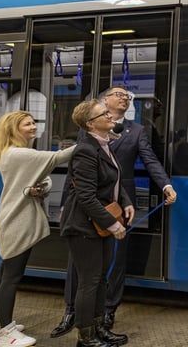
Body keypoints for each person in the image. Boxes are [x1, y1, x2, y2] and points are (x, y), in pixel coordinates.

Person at [52, 86, 177, 338]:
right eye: (119, 94)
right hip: (90, 210)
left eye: (127, 96)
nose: (125, 98)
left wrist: (163, 185)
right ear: (104, 101)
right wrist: (67, 201)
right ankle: (72, 313)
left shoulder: (136, 131)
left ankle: (105, 316)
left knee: (111, 266)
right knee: (82, 269)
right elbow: (77, 177)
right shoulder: (87, 138)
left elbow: (148, 160)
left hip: (117, 204)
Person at [0, 110, 75, 347]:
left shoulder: (10, 154)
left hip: (10, 218)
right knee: (11, 277)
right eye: (27, 124)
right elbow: (58, 158)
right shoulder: (20, 153)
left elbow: (25, 184)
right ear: (14, 129)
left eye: (34, 122)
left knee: (4, 273)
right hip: (16, 221)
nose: (34, 126)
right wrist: (92, 139)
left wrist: (32, 190)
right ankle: (6, 333)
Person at [60, 100, 132, 347]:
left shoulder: (104, 145)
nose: (111, 115)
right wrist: (113, 224)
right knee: (89, 281)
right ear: (91, 124)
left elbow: (112, 182)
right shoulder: (85, 150)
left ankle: (99, 328)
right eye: (105, 114)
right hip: (82, 226)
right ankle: (85, 337)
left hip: (97, 223)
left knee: (101, 278)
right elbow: (86, 196)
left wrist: (126, 202)